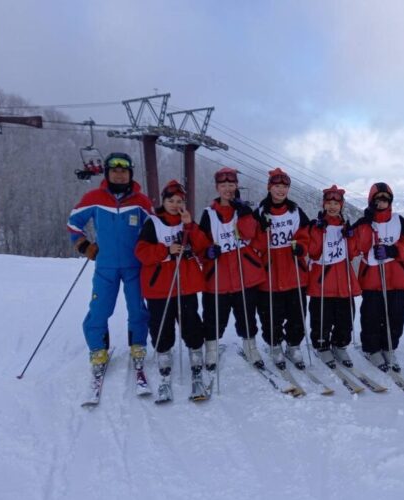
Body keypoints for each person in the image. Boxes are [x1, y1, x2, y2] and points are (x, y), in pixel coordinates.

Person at [67, 152, 153, 375]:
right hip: (105, 265)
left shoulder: (141, 201)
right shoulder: (94, 197)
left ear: (130, 174)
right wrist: (84, 245)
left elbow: (153, 230)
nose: (119, 175)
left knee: (137, 308)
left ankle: (138, 345)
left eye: (123, 171)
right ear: (107, 173)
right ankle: (98, 349)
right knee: (100, 308)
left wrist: (151, 251)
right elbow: (73, 223)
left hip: (134, 265)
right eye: (114, 171)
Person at [134, 180, 208, 394]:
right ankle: (164, 351)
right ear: (163, 201)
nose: (176, 205)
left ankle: (195, 349)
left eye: (180, 201)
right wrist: (166, 250)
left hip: (185, 284)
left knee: (190, 320)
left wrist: (190, 225)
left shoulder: (187, 222)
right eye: (171, 201)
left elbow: (202, 245)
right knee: (160, 322)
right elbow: (141, 253)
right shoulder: (153, 223)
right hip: (160, 286)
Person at [198, 167, 266, 368]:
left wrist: (245, 214)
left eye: (231, 184)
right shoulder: (208, 214)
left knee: (246, 313)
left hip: (244, 272)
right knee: (214, 315)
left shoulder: (244, 211)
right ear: (217, 188)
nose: (228, 189)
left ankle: (250, 346)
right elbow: (200, 243)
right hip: (218, 273)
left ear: (236, 186)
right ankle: (211, 348)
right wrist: (208, 252)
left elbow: (249, 236)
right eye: (223, 185)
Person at [252, 168, 311, 368]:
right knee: (271, 316)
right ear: (270, 188)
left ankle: (293, 345)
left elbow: (305, 235)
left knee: (297, 314)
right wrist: (262, 231)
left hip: (294, 271)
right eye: (277, 186)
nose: (281, 190)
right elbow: (254, 244)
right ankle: (275, 345)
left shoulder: (295, 211)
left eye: (284, 187)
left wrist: (301, 247)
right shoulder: (260, 212)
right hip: (270, 274)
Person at [354, 182, 404, 371]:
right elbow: (359, 246)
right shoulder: (365, 223)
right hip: (372, 279)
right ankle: (372, 349)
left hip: (397, 279)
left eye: (385, 200)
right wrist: (367, 225)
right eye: (378, 200)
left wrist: (393, 250)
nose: (381, 203)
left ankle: (389, 347)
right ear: (371, 201)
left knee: (395, 316)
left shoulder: (399, 221)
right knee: (372, 316)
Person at [307, 185, 361, 367]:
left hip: (344, 282)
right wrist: (317, 232)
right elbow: (313, 253)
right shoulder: (316, 226)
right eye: (329, 203)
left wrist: (351, 236)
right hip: (323, 281)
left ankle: (340, 345)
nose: (332, 207)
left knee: (345, 317)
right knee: (322, 316)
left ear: (342, 205)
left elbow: (353, 252)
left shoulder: (345, 226)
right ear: (323, 205)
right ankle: (322, 346)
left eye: (336, 203)